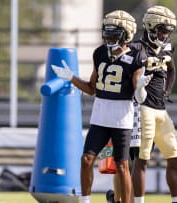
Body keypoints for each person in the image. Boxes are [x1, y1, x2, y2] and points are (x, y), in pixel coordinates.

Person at [51, 10, 145, 203]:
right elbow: (91, 88)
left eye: (114, 34)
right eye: (107, 33)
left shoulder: (136, 57)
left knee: (122, 165)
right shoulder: (100, 53)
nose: (109, 38)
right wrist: (71, 77)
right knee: (86, 159)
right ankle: (85, 201)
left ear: (126, 35)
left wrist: (142, 87)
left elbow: (139, 97)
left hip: (122, 117)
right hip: (100, 115)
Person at [130, 5, 177, 203]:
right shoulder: (136, 48)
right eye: (161, 31)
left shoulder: (167, 47)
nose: (164, 35)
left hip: (161, 109)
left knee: (175, 158)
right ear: (150, 27)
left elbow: (171, 70)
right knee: (141, 160)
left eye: (167, 32)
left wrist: (167, 90)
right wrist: (137, 89)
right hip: (143, 109)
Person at [106, 100, 141, 203]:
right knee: (122, 166)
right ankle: (116, 200)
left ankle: (116, 200)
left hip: (137, 126)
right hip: (124, 125)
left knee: (131, 167)